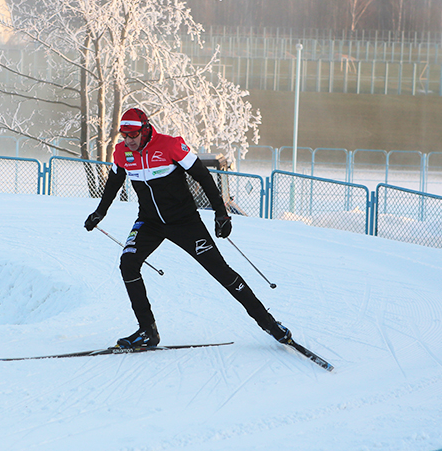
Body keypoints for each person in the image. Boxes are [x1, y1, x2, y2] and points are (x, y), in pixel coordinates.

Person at [84, 107, 293, 349]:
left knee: (221, 272)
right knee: (128, 263)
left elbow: (203, 176)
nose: (129, 140)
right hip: (149, 222)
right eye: (125, 135)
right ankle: (147, 331)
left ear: (145, 129)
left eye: (133, 135)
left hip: (185, 223)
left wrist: (221, 213)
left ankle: (269, 324)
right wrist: (100, 212)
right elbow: (114, 182)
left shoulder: (170, 145)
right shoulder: (122, 152)